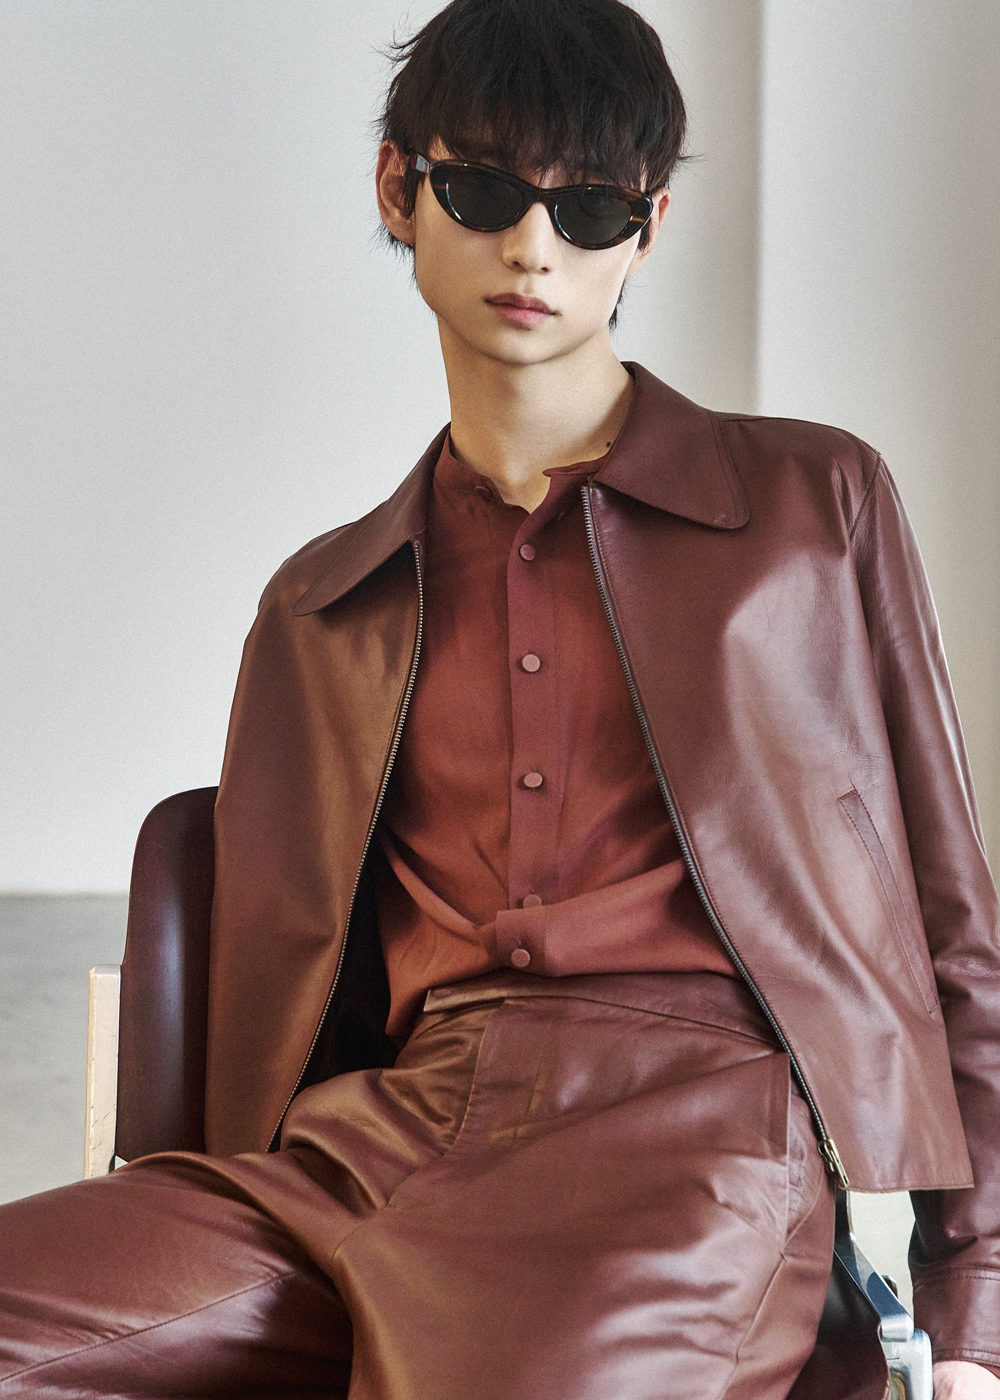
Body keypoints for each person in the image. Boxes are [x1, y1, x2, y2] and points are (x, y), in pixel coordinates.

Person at [1, 1, 999, 1396]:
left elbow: (952, 925)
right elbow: (290, 989)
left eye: (588, 209)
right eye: (484, 192)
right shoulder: (322, 605)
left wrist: (977, 1301)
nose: (536, 247)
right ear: (397, 189)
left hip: (700, 1132)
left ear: (645, 231)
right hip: (381, 1142)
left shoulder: (810, 507)